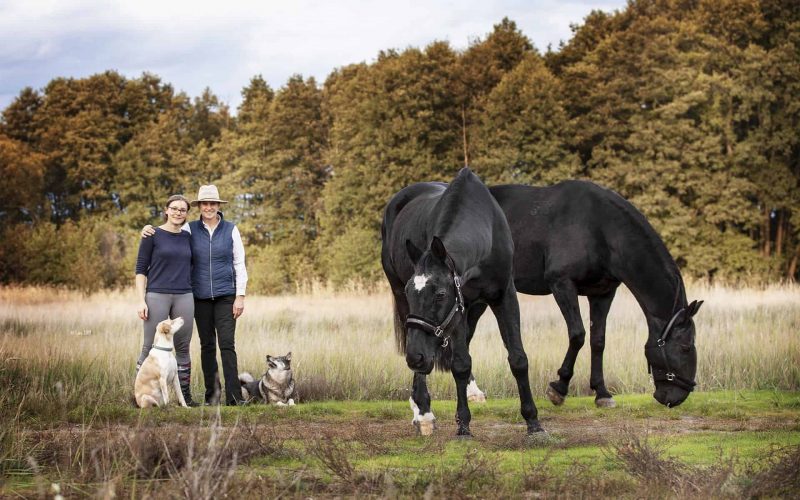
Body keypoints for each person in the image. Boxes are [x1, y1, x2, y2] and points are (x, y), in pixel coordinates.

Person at [143, 184, 248, 406]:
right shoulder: (189, 229)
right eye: (204, 204)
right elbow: (168, 235)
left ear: (218, 206)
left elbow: (239, 263)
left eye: (213, 203)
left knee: (227, 345)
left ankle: (235, 397)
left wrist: (240, 295)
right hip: (198, 297)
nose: (209, 207)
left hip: (226, 296)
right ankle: (212, 396)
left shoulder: (231, 229)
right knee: (207, 346)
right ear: (199, 206)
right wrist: (148, 229)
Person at [135, 194, 197, 406]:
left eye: (183, 209)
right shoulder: (152, 234)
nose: (178, 212)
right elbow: (141, 269)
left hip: (184, 295)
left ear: (186, 213)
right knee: (148, 347)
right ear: (166, 210)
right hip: (156, 295)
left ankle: (185, 398)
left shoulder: (188, 237)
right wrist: (140, 300)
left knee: (183, 347)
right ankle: (138, 395)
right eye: (174, 208)